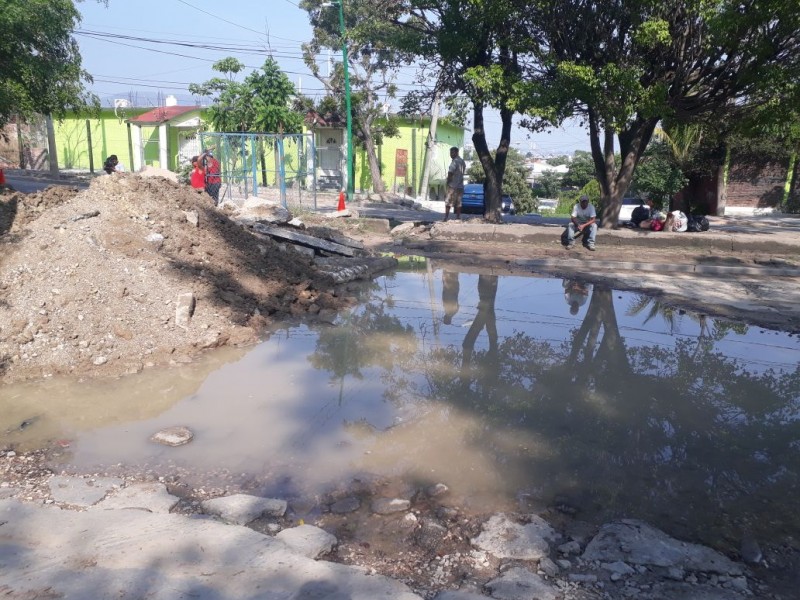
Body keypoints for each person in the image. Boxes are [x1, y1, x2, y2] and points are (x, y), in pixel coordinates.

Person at [444, 146, 466, 222]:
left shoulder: (454, 161)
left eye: (452, 152)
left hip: (452, 186)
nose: (451, 154)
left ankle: (446, 218)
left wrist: (448, 181)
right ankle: (458, 217)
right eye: (450, 153)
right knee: (458, 203)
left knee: (448, 202)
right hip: (460, 185)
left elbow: (450, 172)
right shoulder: (462, 161)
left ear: (456, 152)